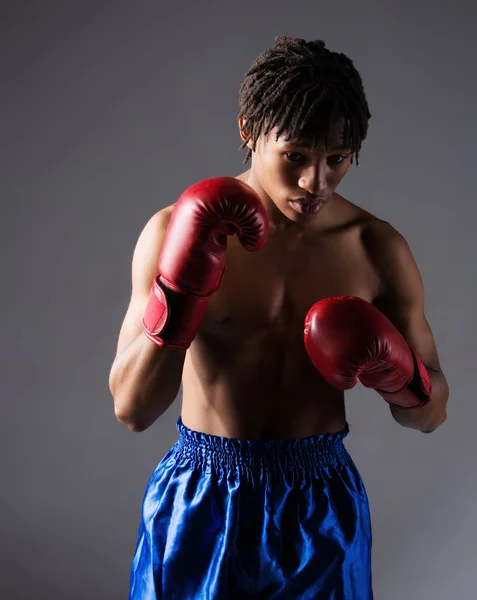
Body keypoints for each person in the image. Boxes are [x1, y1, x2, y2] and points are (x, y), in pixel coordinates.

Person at [109, 36, 449, 600]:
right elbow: (132, 409)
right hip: (200, 495)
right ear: (249, 131)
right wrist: (181, 292)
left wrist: (399, 375)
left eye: (336, 159)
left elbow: (431, 416)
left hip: (320, 504)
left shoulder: (375, 248)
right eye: (296, 155)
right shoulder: (174, 231)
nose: (316, 182)